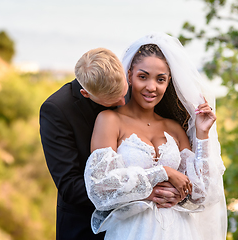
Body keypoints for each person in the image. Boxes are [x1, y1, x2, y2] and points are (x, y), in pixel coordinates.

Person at [84, 33, 227, 240]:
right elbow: (101, 189)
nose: (152, 87)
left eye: (160, 79)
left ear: (169, 81)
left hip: (181, 232)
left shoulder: (174, 128)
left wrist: (202, 134)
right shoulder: (109, 120)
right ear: (130, 75)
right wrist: (164, 172)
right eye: (143, 77)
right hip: (132, 232)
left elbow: (202, 194)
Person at [39, 47, 180, 240]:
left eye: (124, 92)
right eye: (114, 100)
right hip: (84, 225)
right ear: (86, 93)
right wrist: (142, 191)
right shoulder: (56, 110)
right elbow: (70, 186)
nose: (123, 102)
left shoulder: (122, 82)